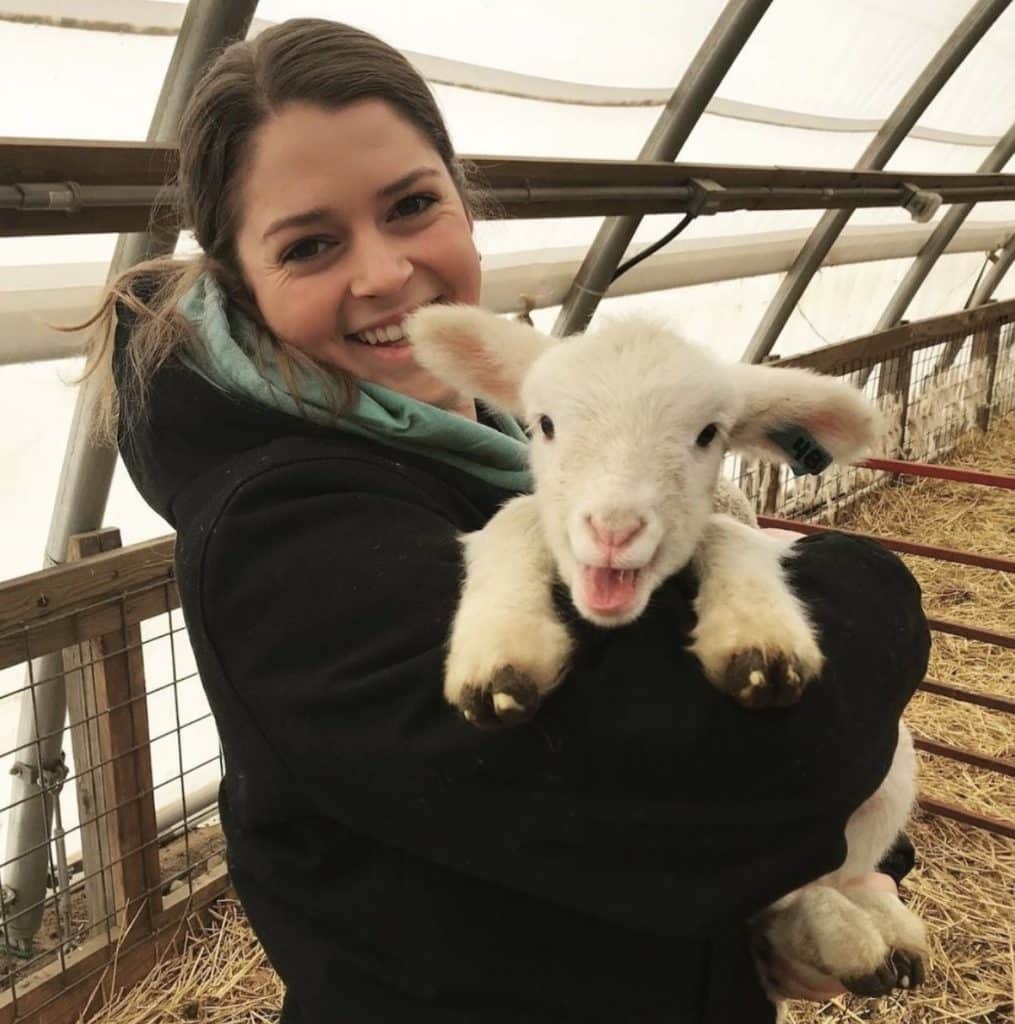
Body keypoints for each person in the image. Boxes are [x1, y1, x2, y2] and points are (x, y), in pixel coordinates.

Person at [82, 19, 929, 1024]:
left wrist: (852, 873)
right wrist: (873, 592)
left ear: (462, 201)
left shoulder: (539, 423)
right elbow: (713, 781)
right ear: (242, 281)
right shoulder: (282, 532)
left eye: (411, 205)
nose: (384, 273)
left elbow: (769, 775)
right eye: (309, 244)